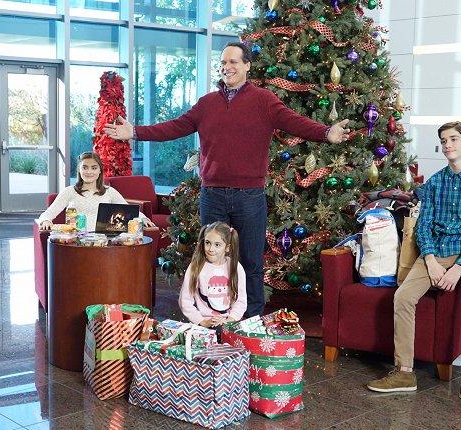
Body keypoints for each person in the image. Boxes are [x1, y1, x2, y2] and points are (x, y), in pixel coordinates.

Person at [104, 41, 351, 317]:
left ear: (247, 65)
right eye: (223, 62)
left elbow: (295, 122)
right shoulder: (207, 104)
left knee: (250, 262)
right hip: (213, 195)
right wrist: (135, 132)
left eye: (233, 61)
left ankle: (250, 323)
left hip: (250, 197)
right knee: (211, 260)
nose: (227, 67)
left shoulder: (264, 101)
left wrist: (326, 132)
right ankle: (212, 318)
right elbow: (174, 127)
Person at [366, 121, 461, 413]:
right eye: (443, 140)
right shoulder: (435, 183)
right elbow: (423, 227)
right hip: (435, 253)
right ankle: (404, 371)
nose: (447, 144)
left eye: (453, 139)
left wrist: (458, 267)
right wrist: (430, 261)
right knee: (403, 297)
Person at [37, 151, 155, 231]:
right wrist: (46, 221)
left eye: (94, 168)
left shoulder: (110, 192)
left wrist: (143, 218)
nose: (89, 172)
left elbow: (128, 211)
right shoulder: (69, 192)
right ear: (79, 170)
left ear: (99, 171)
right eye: (85, 167)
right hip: (77, 240)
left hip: (104, 241)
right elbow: (46, 215)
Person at [179, 221, 247, 328]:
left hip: (230, 323)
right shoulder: (196, 266)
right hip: (204, 325)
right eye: (207, 243)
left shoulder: (235, 266)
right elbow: (185, 301)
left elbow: (241, 301)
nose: (211, 249)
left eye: (217, 245)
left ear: (227, 247)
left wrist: (228, 320)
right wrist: (203, 322)